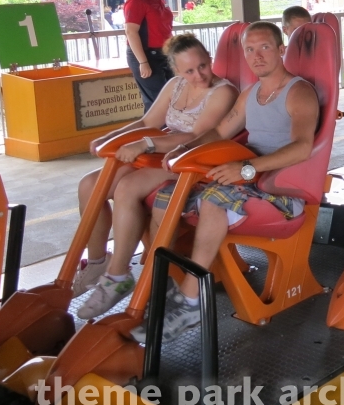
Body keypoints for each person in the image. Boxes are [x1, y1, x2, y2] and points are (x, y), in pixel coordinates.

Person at [128, 22, 320, 343]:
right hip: (247, 179)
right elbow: (219, 133)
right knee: (167, 193)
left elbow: (301, 147)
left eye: (265, 47)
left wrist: (246, 168)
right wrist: (183, 150)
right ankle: (157, 283)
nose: (257, 56)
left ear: (281, 50)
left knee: (213, 198)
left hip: (280, 188)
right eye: (249, 49)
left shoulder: (298, 91)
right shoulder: (250, 94)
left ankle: (190, 302)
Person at [74, 35, 237, 316]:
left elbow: (196, 136)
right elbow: (148, 122)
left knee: (127, 188)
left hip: (188, 159)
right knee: (89, 184)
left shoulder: (223, 91)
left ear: (210, 60)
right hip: (160, 153)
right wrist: (111, 137)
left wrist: (145, 143)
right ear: (176, 71)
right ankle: (98, 260)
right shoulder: (174, 86)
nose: (198, 75)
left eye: (202, 66)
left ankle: (118, 275)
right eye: (189, 71)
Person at [124, 0, 174, 112]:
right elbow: (131, 32)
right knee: (157, 102)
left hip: (164, 52)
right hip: (145, 54)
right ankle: (155, 132)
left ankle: (168, 132)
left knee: (172, 95)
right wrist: (143, 61)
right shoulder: (137, 0)